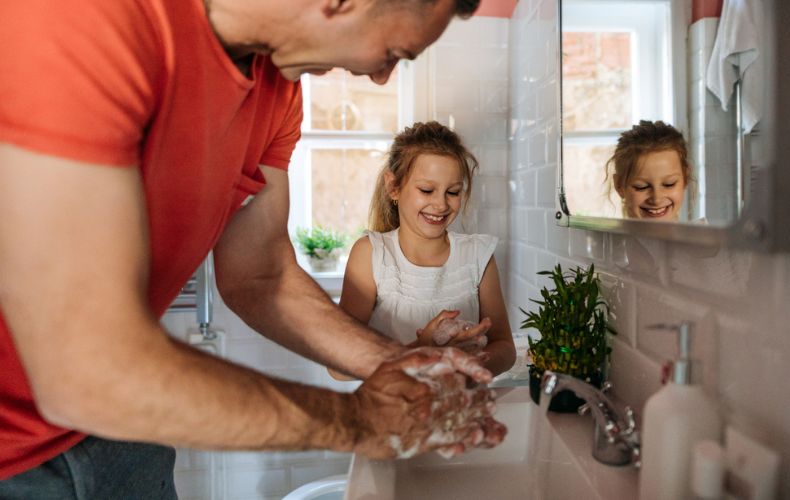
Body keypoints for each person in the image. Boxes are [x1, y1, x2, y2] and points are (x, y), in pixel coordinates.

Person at [0, 0, 505, 497]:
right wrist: (357, 420)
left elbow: (261, 274)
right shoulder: (86, 17)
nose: (379, 77)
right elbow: (84, 368)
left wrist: (399, 362)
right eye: (393, 51)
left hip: (124, 429)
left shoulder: (279, 89)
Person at [337, 121, 516, 378]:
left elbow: (506, 348)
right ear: (393, 187)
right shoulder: (371, 255)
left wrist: (466, 367)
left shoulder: (478, 255)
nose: (440, 204)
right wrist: (421, 352)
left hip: (458, 412)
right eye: (427, 190)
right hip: (390, 413)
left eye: (453, 192)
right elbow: (338, 368)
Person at [607, 120, 694, 222]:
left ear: (685, 177)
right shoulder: (600, 238)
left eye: (669, 184)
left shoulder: (703, 237)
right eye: (641, 187)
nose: (657, 199)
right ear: (619, 185)